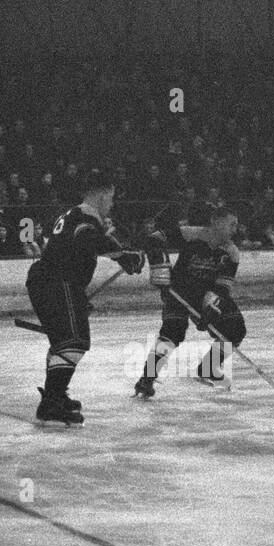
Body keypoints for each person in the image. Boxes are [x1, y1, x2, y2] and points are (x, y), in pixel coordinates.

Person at [25, 170, 145, 424]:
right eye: (110, 198)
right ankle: (51, 403)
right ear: (102, 194)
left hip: (53, 281)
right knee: (74, 340)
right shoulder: (83, 217)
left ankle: (55, 395)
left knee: (64, 340)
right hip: (57, 282)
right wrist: (122, 255)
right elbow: (87, 238)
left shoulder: (73, 215)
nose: (112, 204)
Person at [133, 206, 244, 398]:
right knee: (172, 331)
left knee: (236, 328)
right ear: (216, 222)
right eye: (231, 224)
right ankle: (147, 378)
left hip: (206, 293)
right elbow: (154, 239)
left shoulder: (232, 252)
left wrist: (211, 309)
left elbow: (222, 288)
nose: (236, 229)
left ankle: (209, 368)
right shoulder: (191, 234)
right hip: (179, 290)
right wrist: (160, 264)